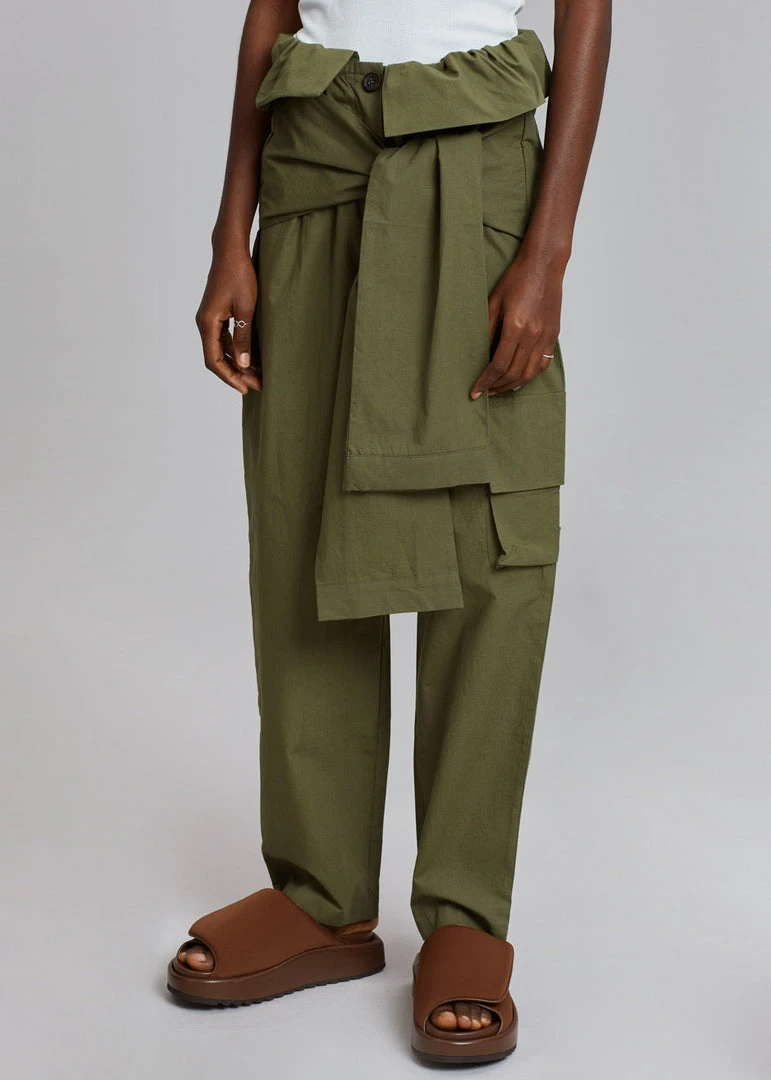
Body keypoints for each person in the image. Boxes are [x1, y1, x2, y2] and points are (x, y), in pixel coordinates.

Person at [166, 0, 610, 1064]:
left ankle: (464, 917)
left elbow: (587, 12)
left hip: (474, 169)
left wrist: (548, 253)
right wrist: (231, 236)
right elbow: (271, 11)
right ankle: (320, 898)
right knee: (301, 525)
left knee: (489, 547)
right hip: (311, 169)